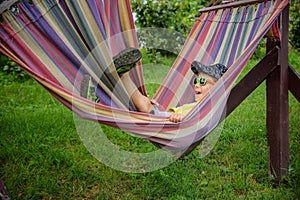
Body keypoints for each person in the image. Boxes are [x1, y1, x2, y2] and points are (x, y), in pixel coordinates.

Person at [80, 48, 227, 122]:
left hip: (166, 123)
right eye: (196, 80)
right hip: (161, 118)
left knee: (144, 107)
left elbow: (199, 122)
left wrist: (181, 118)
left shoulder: (209, 109)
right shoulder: (198, 105)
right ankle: (114, 81)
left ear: (218, 89)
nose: (196, 85)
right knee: (142, 104)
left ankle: (115, 82)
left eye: (202, 81)